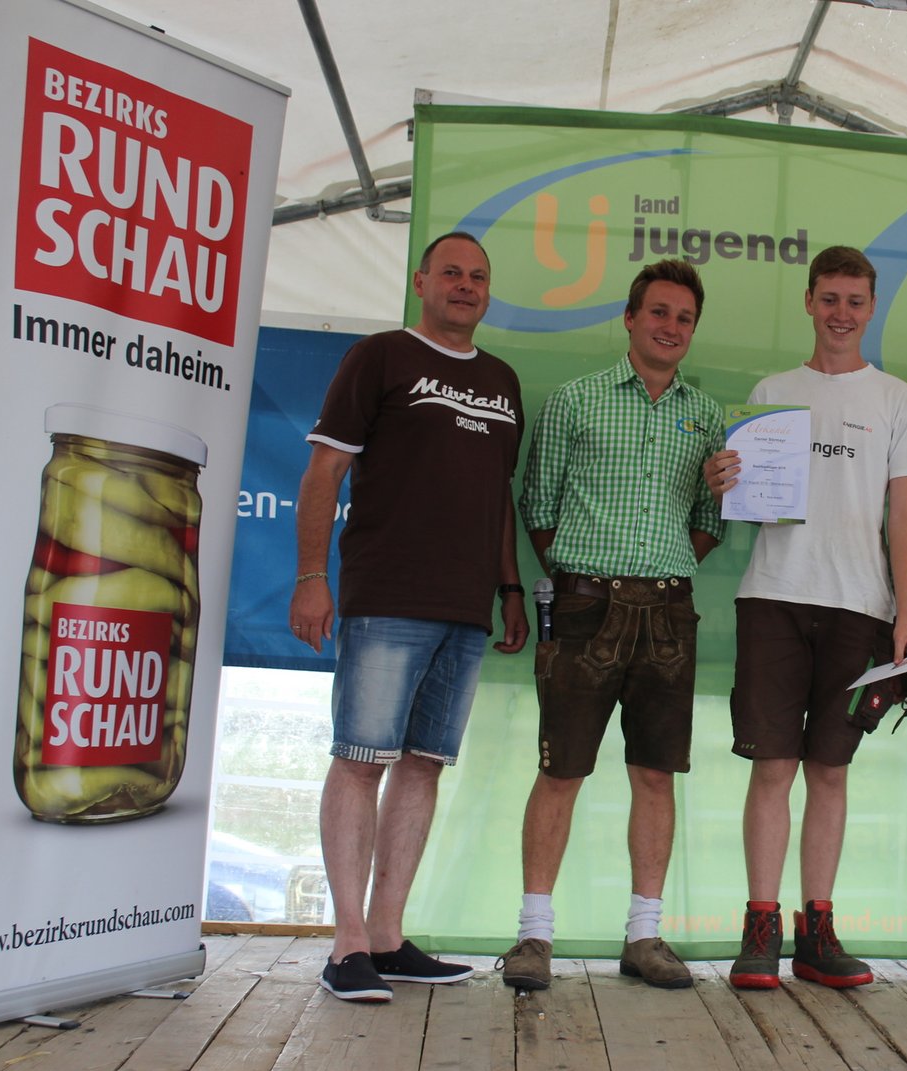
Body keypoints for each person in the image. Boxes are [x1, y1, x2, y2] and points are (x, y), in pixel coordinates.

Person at [291, 232, 527, 1003]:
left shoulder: (502, 381)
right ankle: (347, 946)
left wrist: (510, 588)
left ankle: (389, 937)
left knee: (423, 764)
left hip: (466, 607)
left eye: (478, 276)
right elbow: (325, 470)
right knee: (361, 760)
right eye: (451, 272)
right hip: (387, 595)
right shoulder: (380, 356)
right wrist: (310, 578)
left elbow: (497, 499)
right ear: (421, 281)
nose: (465, 285)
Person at [705, 245, 907, 989]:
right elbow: (750, 504)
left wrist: (906, 614)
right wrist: (727, 480)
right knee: (773, 767)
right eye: (829, 298)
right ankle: (760, 928)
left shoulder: (896, 399)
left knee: (829, 771)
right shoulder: (772, 391)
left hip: (862, 607)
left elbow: (905, 514)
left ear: (871, 308)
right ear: (808, 302)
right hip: (773, 595)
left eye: (854, 301)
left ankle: (817, 933)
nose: (841, 313)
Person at [496, 260, 725, 993]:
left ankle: (643, 936)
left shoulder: (708, 416)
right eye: (658, 312)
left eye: (684, 317)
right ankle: (533, 936)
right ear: (629, 318)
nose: (670, 327)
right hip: (584, 604)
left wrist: (655, 571)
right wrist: (588, 581)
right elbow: (538, 508)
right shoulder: (576, 399)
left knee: (655, 774)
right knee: (561, 769)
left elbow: (710, 522)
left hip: (669, 611)